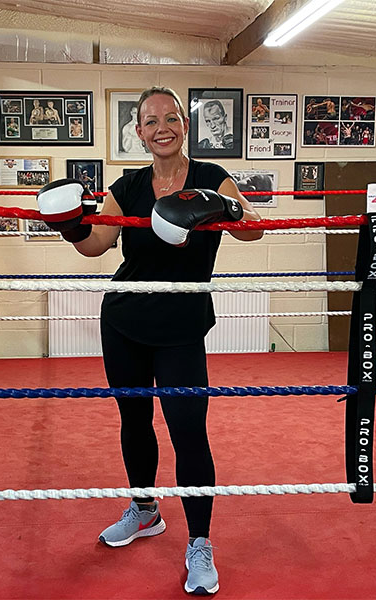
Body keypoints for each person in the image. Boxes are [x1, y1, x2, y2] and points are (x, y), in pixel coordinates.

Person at [35, 86, 263, 595]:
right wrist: (68, 227)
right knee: (134, 421)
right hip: (124, 319)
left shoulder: (211, 177)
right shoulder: (129, 185)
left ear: (184, 125)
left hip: (181, 325)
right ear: (138, 132)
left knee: (188, 430)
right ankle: (144, 511)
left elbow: (255, 229)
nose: (162, 126)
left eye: (170, 117)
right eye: (150, 120)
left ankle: (200, 541)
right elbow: (97, 246)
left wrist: (218, 207)